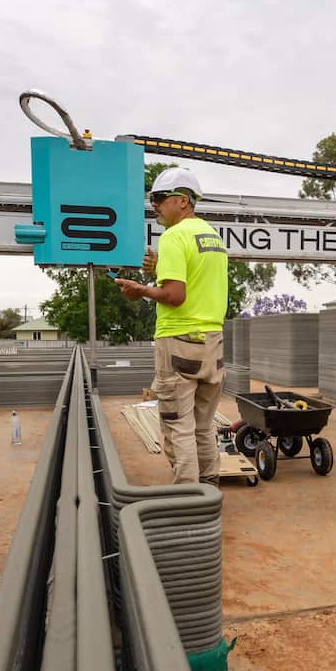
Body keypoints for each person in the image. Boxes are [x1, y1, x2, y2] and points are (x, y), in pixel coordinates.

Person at [116, 167, 228, 486]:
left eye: (160, 199)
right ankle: (208, 492)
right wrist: (157, 273)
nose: (155, 206)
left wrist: (139, 290)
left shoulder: (174, 237)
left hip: (178, 342)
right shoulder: (212, 237)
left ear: (182, 200)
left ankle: (189, 503)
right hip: (212, 344)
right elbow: (194, 285)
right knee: (203, 426)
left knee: (178, 426)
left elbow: (175, 296)